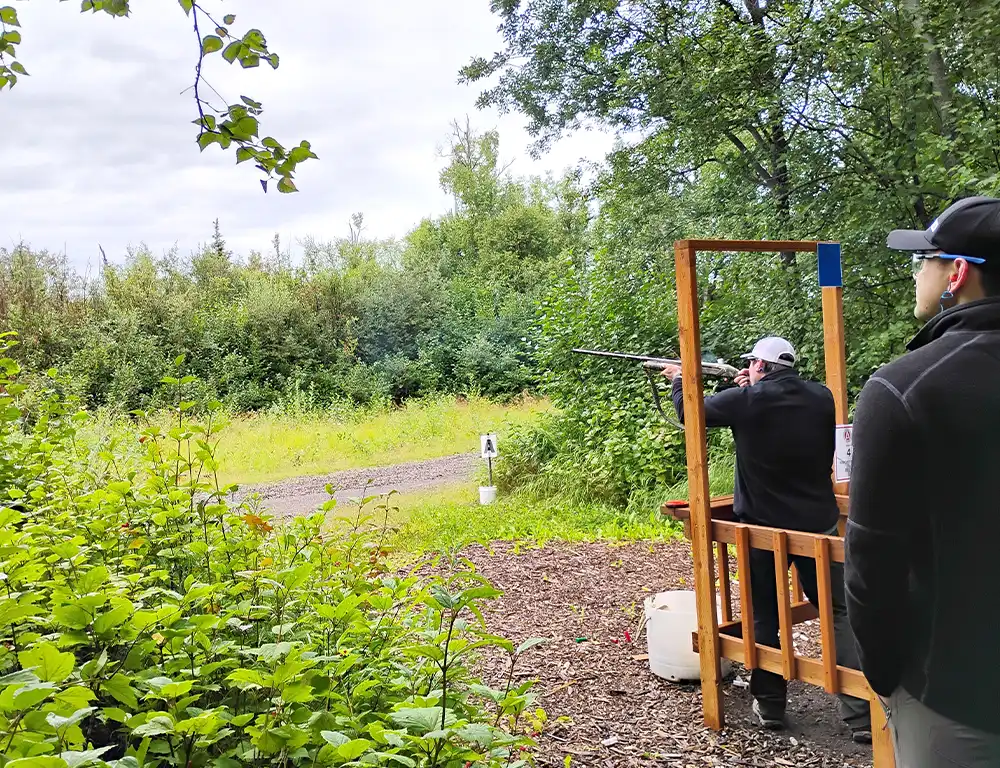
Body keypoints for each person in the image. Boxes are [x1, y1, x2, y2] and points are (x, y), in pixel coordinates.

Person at [844, 196, 1000, 766]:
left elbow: (872, 558)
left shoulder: (905, 388)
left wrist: (887, 675)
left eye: (926, 259)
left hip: (956, 697)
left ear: (958, 273)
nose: (918, 271)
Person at [661, 339, 872, 742]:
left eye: (752, 363)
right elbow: (773, 406)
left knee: (764, 617)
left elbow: (692, 413)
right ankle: (859, 714)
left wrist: (678, 381)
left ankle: (771, 706)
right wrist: (749, 387)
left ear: (759, 364)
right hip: (818, 527)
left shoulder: (747, 400)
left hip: (762, 531)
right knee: (840, 612)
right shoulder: (821, 397)